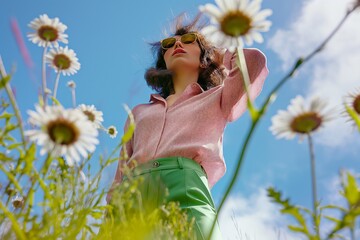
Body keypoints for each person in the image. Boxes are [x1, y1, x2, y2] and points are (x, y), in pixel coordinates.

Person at [107, 14, 268, 240]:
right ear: (163, 61)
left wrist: (219, 54)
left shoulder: (219, 98)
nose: (178, 44)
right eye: (168, 45)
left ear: (205, 56)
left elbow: (254, 63)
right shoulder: (139, 112)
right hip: (133, 193)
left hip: (186, 187)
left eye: (190, 39)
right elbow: (120, 172)